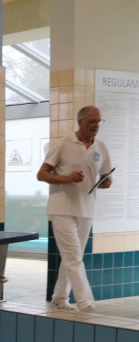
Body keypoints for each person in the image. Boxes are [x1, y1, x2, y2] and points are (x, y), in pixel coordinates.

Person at [37, 105, 113, 312]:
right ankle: (85, 301)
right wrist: (67, 178)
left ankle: (59, 298)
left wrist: (106, 182)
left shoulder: (101, 147)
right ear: (80, 122)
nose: (96, 126)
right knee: (73, 256)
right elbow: (41, 174)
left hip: (86, 209)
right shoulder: (63, 143)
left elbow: (105, 175)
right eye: (92, 121)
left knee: (71, 257)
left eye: (99, 122)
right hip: (62, 207)